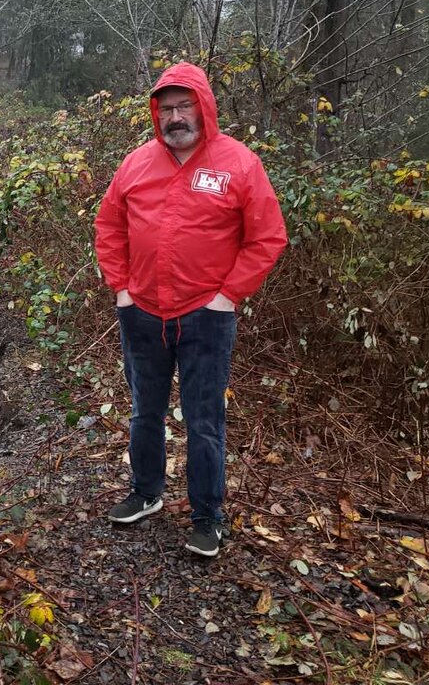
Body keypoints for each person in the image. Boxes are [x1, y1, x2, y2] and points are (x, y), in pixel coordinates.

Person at [93, 61, 287, 557]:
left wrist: (229, 295)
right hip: (142, 312)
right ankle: (146, 493)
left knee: (204, 420)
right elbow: (109, 224)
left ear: (204, 108)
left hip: (207, 314)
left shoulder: (239, 163)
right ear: (155, 115)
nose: (175, 117)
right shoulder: (135, 164)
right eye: (166, 109)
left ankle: (207, 517)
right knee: (145, 412)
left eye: (184, 107)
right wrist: (121, 287)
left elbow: (267, 237)